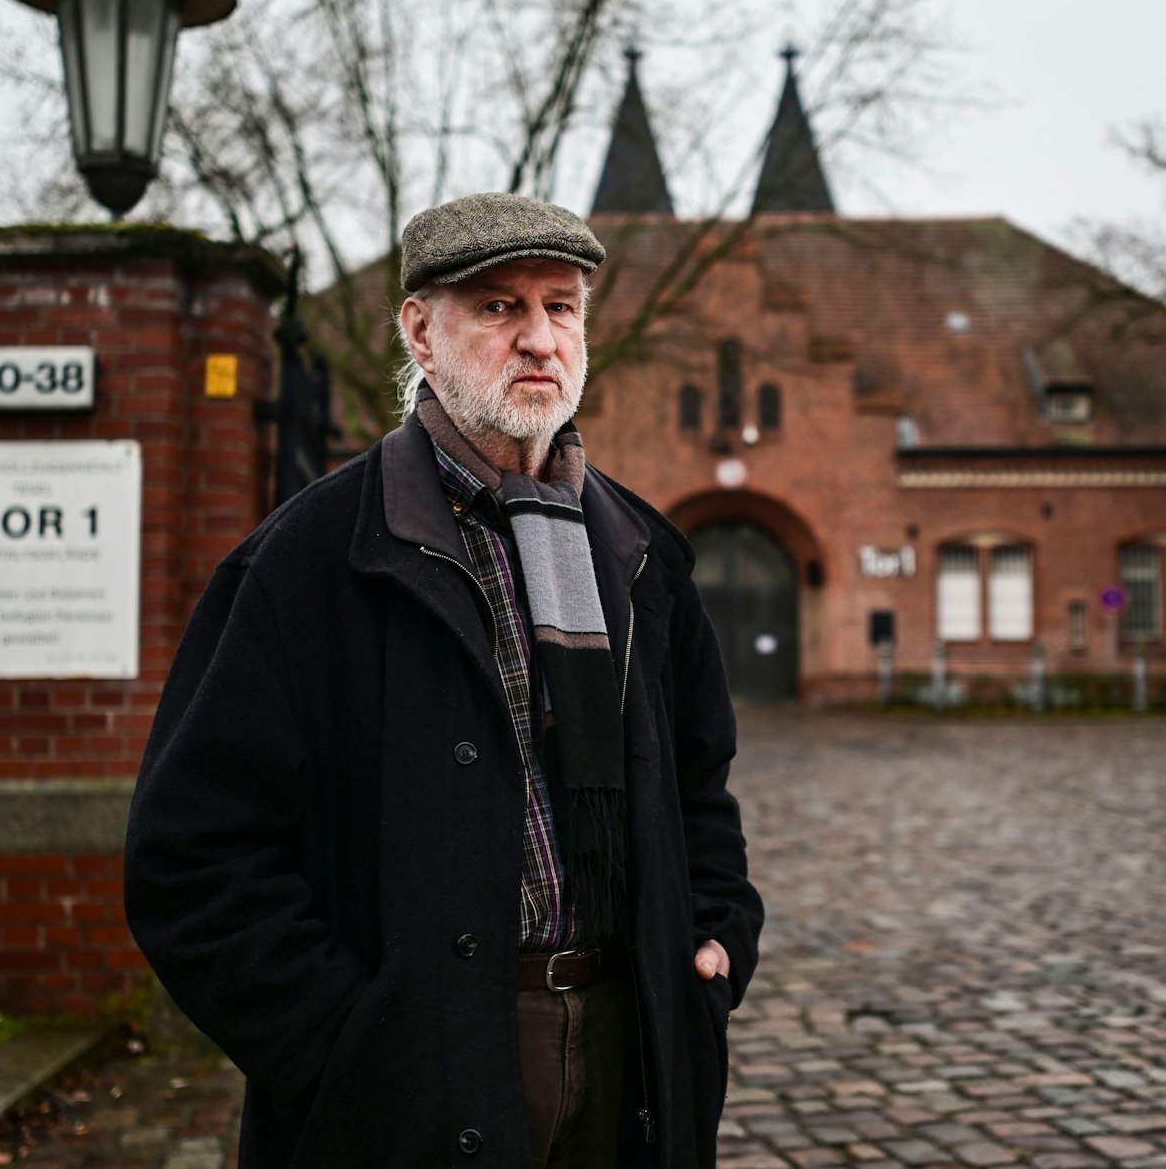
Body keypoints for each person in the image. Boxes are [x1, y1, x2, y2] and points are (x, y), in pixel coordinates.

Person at [124, 192, 764, 1169]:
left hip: (632, 1039)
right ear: (420, 332)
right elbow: (189, 857)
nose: (539, 338)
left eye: (560, 307)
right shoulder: (309, 561)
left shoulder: (641, 553)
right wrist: (346, 1043)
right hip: (418, 1068)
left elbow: (697, 780)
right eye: (499, 307)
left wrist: (716, 934)